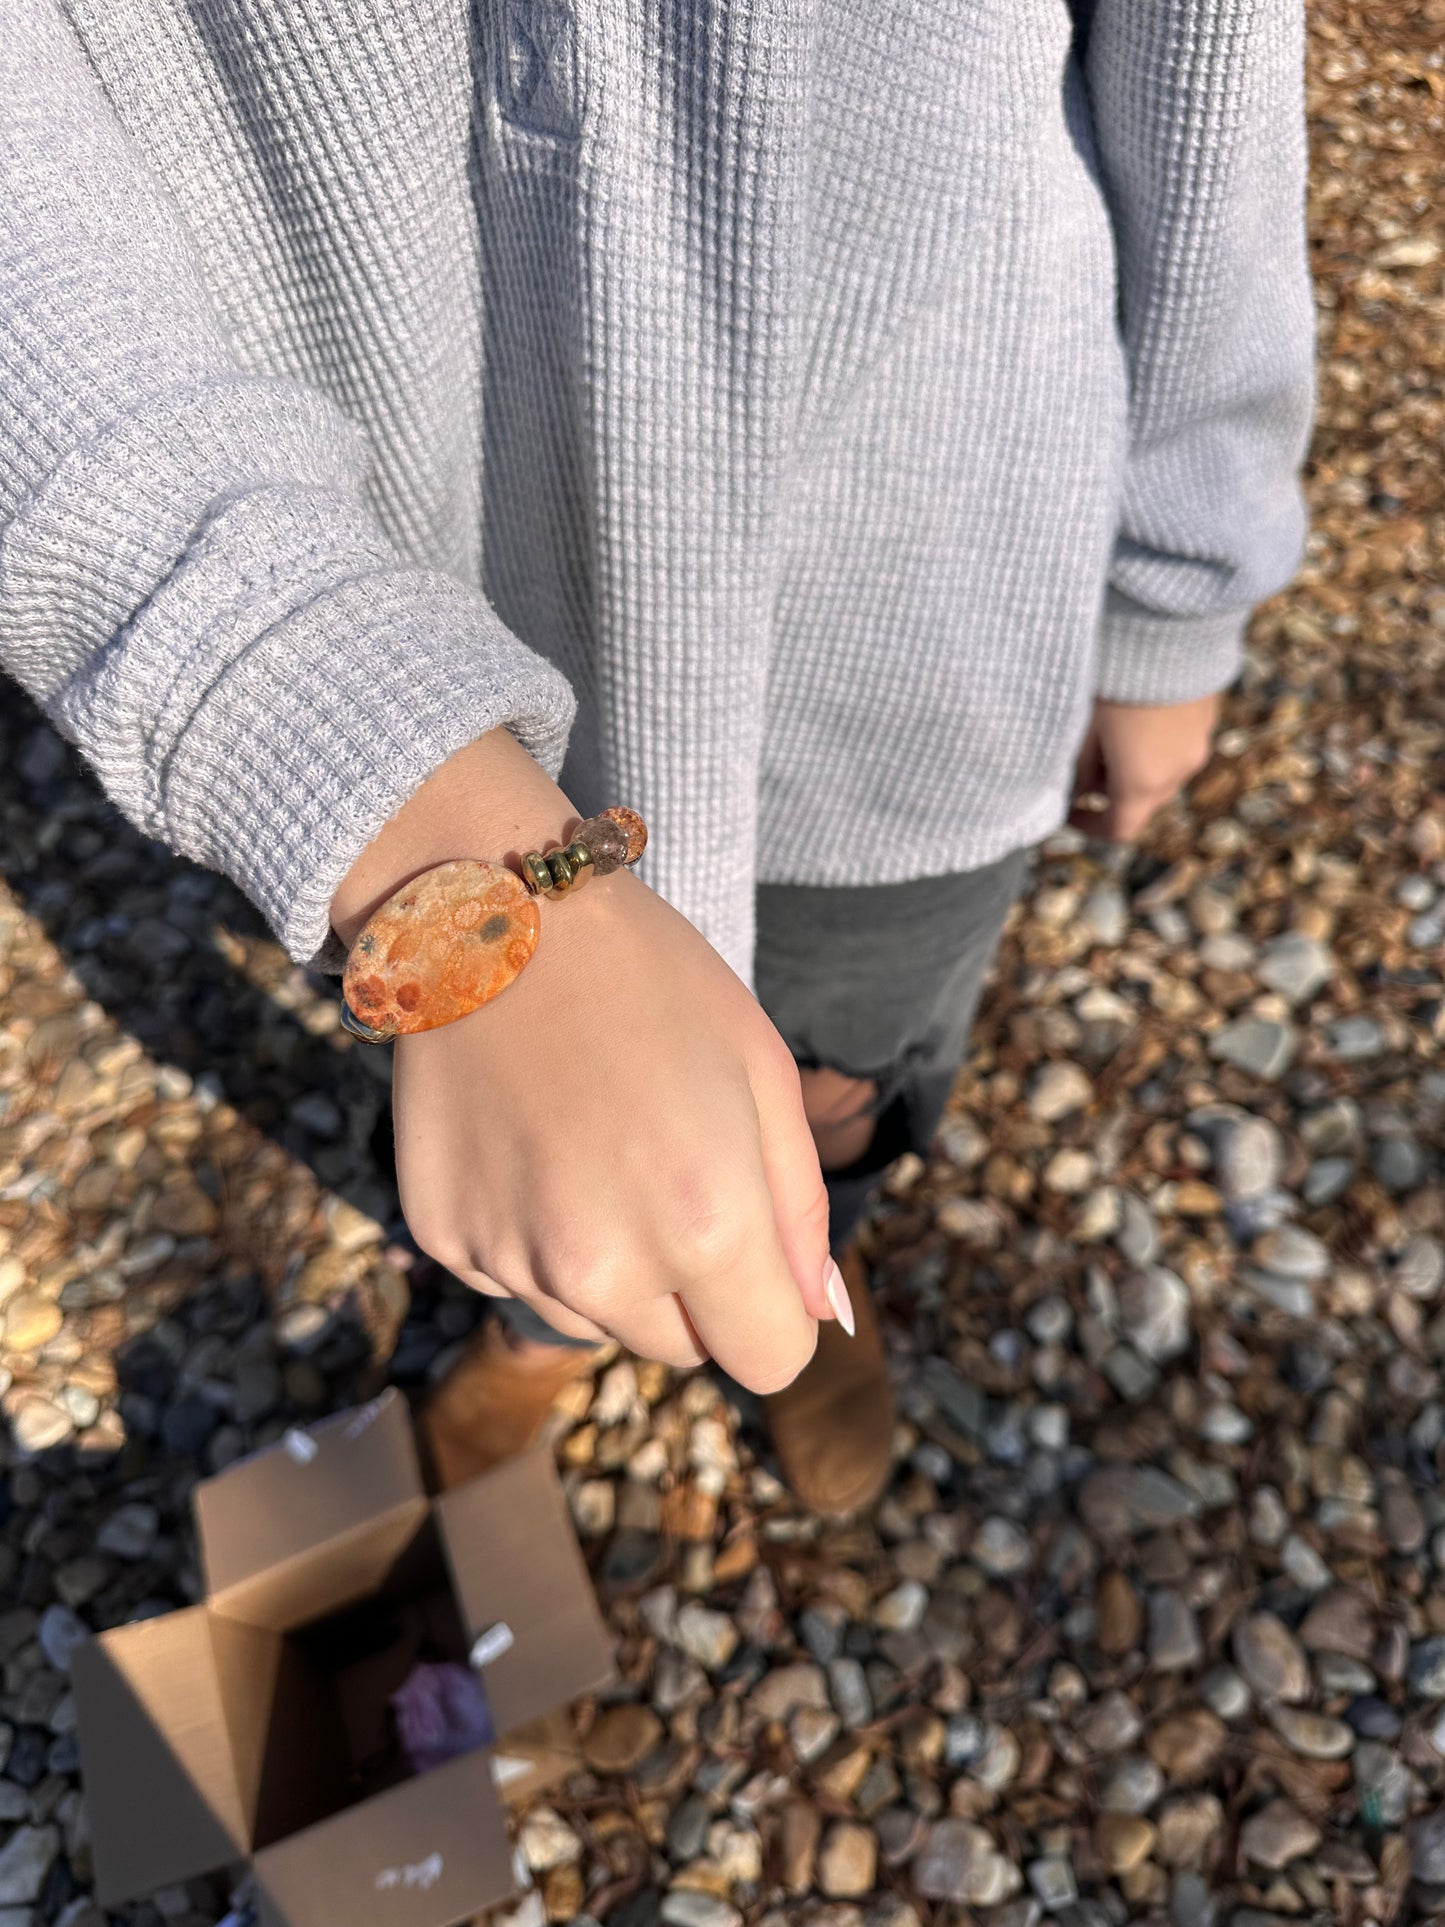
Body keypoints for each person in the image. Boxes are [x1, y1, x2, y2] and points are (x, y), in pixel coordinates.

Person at [2, 0, 1313, 1514]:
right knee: (528, 1122)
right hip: (413, 538)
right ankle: (548, 1325)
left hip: (927, 565)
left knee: (848, 1052)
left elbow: (1209, 71)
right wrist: (355, 748)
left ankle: (807, 1258)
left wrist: (1180, 579)